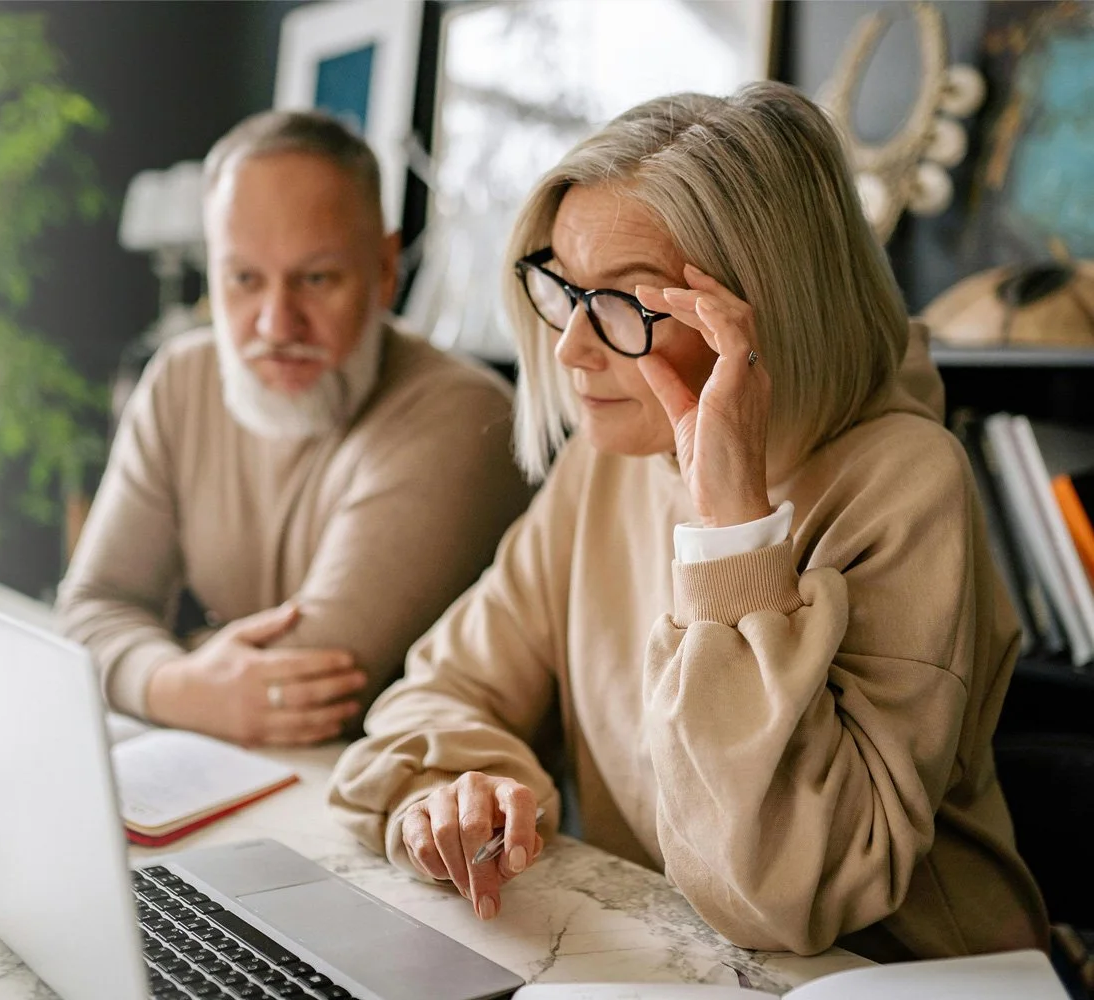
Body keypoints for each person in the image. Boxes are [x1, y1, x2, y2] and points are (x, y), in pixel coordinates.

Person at [327, 83, 1047, 959]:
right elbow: (439, 694)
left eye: (627, 303)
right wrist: (463, 789)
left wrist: (732, 532)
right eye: (562, 286)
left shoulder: (904, 482)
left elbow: (784, 895)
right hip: (675, 956)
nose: (568, 348)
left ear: (766, 316)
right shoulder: (608, 459)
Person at [59, 110, 530, 747]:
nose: (277, 324)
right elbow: (89, 606)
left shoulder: (463, 415)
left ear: (385, 271)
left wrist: (163, 663)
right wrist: (178, 683)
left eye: (316, 279)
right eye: (244, 279)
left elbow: (310, 693)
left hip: (414, 808)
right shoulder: (181, 379)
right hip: (256, 781)